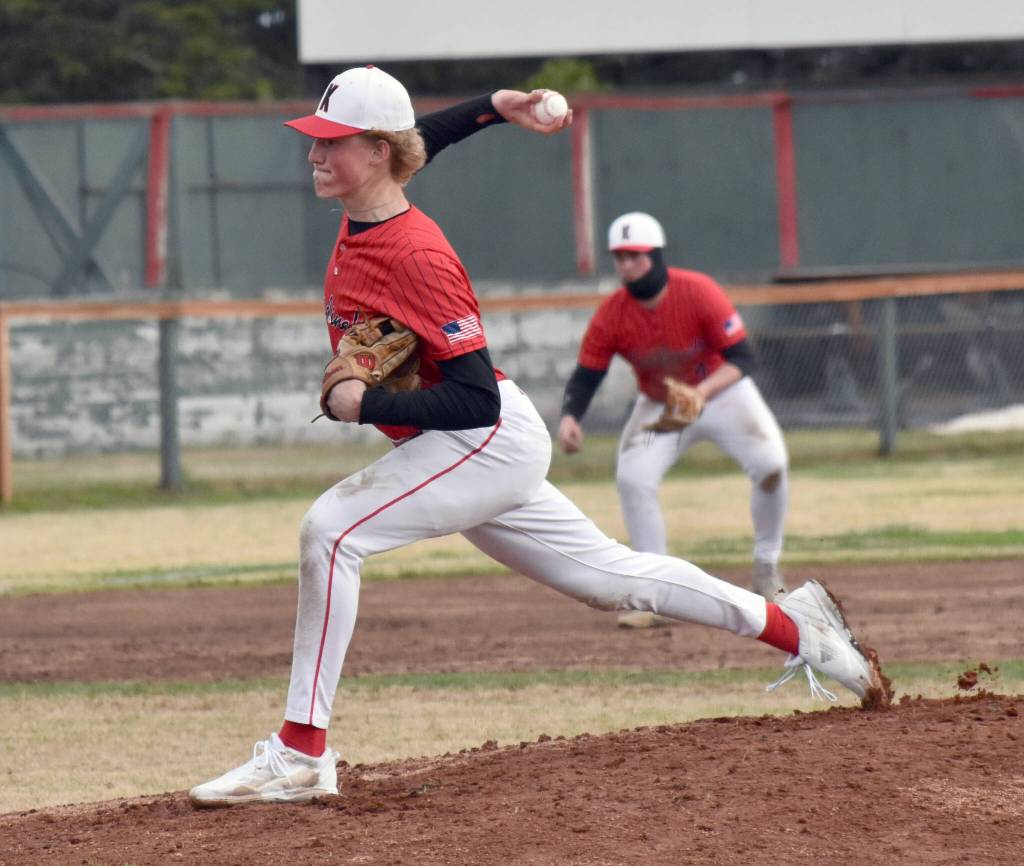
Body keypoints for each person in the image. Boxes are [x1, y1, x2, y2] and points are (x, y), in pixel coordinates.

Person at [188, 66, 882, 807]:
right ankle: (803, 631)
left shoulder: (418, 257)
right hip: (471, 449)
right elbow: (429, 139)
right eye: (316, 141)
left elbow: (476, 398)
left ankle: (301, 752)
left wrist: (365, 403)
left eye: (334, 144)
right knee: (612, 580)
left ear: (380, 154)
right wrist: (494, 107)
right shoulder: (370, 206)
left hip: (483, 439)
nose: (315, 156)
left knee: (330, 532)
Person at [557, 212, 789, 625]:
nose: (627, 265)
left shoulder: (698, 291)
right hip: (663, 404)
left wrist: (700, 394)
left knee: (771, 466)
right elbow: (588, 373)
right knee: (633, 479)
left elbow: (742, 358)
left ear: (657, 256)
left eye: (636, 256)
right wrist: (572, 416)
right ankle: (653, 594)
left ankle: (766, 568)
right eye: (620, 257)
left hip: (721, 392)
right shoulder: (613, 313)